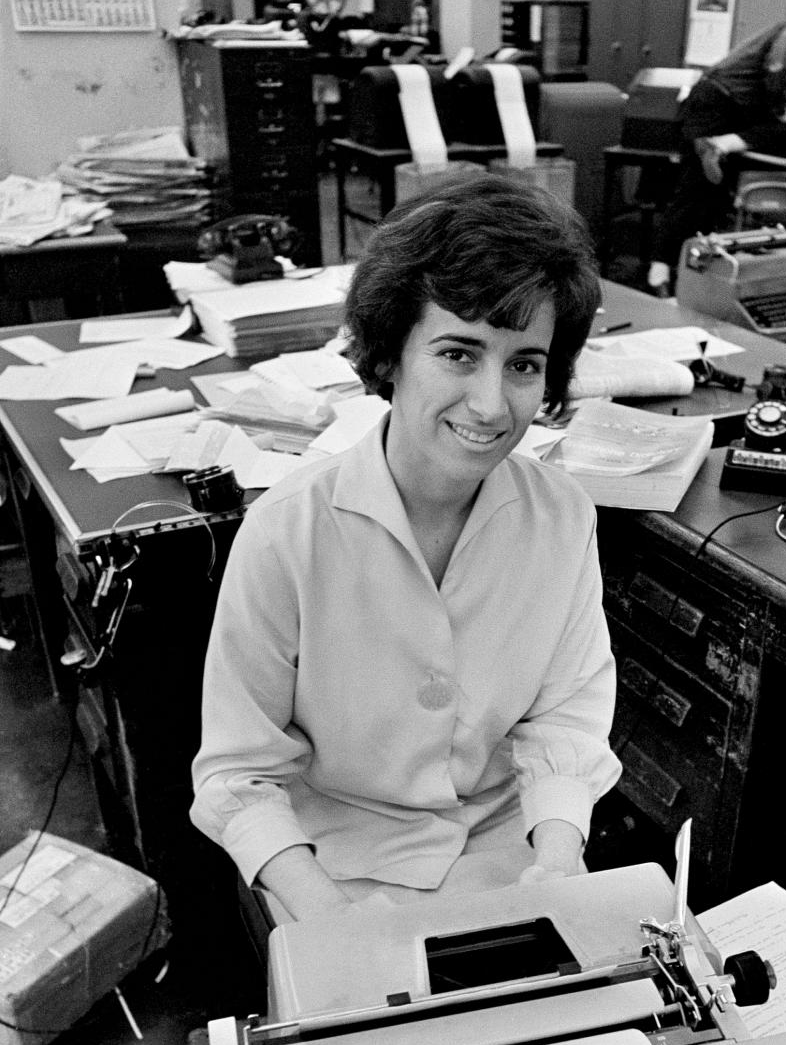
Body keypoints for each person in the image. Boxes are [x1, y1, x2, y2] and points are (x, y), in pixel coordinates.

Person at [190, 174, 622, 923]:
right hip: (334, 868)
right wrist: (329, 920)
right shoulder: (288, 531)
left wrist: (557, 857)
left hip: (505, 852)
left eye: (523, 363)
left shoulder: (562, 518)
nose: (492, 404)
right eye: (458, 354)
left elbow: (563, 724)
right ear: (390, 354)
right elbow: (239, 774)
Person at [646, 18, 786, 297]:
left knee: (709, 198)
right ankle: (658, 272)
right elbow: (776, 76)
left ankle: (688, 274)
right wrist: (783, 113)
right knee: (694, 193)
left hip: (722, 109)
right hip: (716, 106)